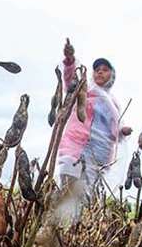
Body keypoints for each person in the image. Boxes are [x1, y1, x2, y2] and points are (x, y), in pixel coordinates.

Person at [56, 38, 132, 196]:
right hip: (75, 148)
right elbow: (70, 81)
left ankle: (75, 221)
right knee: (68, 192)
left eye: (105, 69)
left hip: (98, 158)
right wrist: (70, 62)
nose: (100, 71)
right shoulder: (85, 89)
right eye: (97, 69)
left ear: (112, 75)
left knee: (86, 197)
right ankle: (61, 219)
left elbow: (115, 129)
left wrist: (123, 130)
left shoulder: (113, 104)